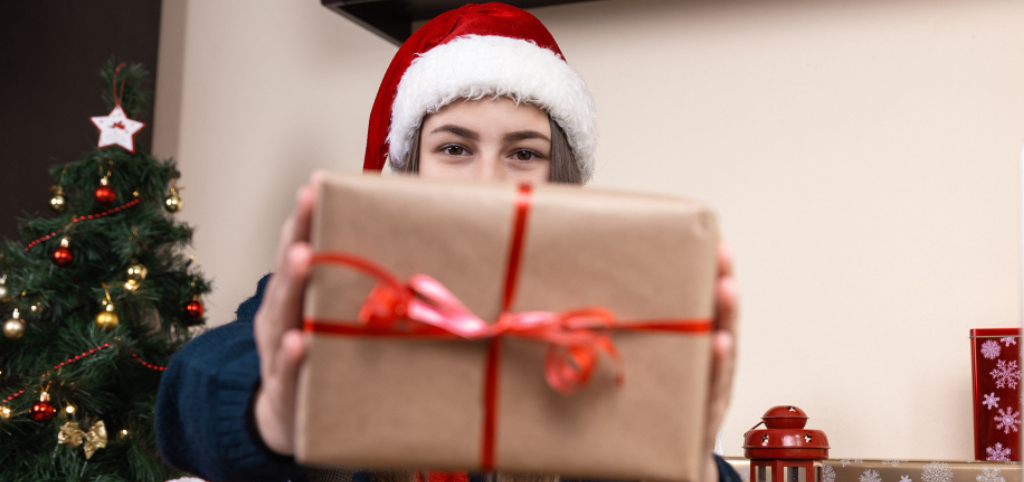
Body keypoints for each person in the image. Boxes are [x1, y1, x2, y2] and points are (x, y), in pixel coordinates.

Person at [155, 4, 740, 482]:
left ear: (558, 177)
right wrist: (265, 414)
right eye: (455, 148)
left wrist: (696, 473)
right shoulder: (345, 279)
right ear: (410, 167)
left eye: (524, 153)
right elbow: (193, 391)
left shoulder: (599, 318)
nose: (488, 181)